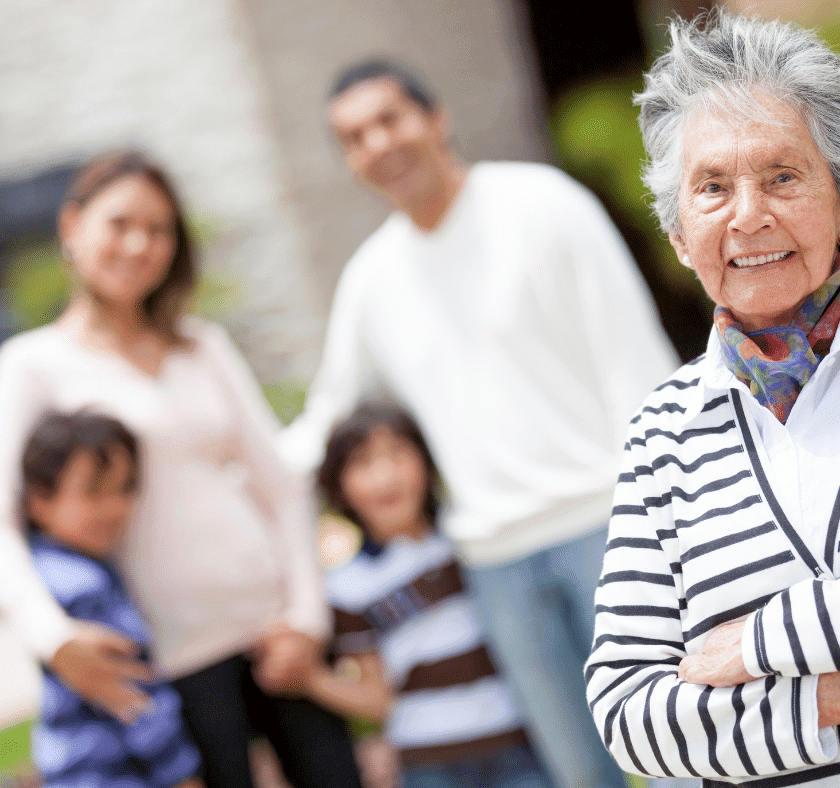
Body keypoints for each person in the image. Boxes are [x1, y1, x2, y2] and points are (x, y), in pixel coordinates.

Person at [278, 59, 681, 788]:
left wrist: (665, 520)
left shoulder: (544, 206)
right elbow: (327, 418)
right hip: (493, 562)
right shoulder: (372, 281)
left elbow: (637, 366)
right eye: (354, 136)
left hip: (610, 530)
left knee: (685, 750)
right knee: (579, 774)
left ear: (436, 119)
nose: (377, 143)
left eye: (389, 119)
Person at [586, 8, 840, 786]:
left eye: (783, 176)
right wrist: (836, 699)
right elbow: (626, 714)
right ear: (680, 234)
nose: (749, 215)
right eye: (711, 187)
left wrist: (758, 644)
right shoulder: (663, 433)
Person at [0, 150, 362, 788]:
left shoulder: (205, 347)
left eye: (159, 228)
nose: (139, 244)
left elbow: (281, 486)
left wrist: (307, 619)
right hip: (171, 660)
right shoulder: (34, 366)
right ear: (72, 226)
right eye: (120, 223)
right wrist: (52, 638)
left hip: (276, 635)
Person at [300, 400, 553, 788]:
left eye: (398, 454)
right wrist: (308, 679)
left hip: (517, 743)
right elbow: (377, 698)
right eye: (363, 462)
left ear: (428, 461)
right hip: (426, 763)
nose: (385, 476)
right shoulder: (346, 588)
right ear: (338, 487)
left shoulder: (470, 541)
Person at [24, 410, 204, 788]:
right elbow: (135, 699)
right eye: (94, 491)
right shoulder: (82, 586)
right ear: (39, 500)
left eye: (124, 489)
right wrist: (182, 776)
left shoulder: (42, 575)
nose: (115, 508)